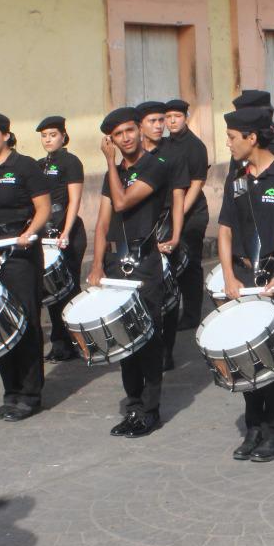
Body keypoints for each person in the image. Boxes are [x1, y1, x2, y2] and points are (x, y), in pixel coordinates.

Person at [217, 106, 274, 463]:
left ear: (251, 138)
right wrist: (228, 275)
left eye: (231, 137)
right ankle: (253, 427)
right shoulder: (236, 178)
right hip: (242, 278)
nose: (228, 143)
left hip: (273, 278)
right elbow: (225, 229)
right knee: (245, 356)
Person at [88, 107, 170, 437]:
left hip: (144, 262)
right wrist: (96, 265)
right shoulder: (114, 174)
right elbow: (103, 222)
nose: (125, 138)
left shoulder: (155, 166)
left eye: (129, 131)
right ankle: (133, 407)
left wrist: (110, 163)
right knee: (124, 338)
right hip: (115, 264)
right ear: (111, 139)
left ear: (138, 130)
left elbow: (122, 203)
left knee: (148, 338)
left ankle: (150, 410)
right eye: (118, 135)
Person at [0, 113, 50, 421]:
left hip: (19, 255)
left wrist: (30, 233)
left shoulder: (24, 166)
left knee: (25, 322)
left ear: (5, 135)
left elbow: (43, 208)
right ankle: (11, 392)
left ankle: (30, 394)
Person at [134, 101, 186, 369]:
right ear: (140, 126)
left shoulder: (173, 155)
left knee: (170, 292)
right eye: (152, 121)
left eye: (160, 120)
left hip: (165, 227)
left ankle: (167, 349)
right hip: (139, 231)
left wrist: (175, 235)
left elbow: (178, 198)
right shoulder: (134, 155)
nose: (158, 126)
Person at [36, 116, 86, 362]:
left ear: (64, 136)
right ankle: (60, 344)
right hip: (46, 235)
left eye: (53, 134)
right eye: (44, 136)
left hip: (69, 234)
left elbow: (74, 200)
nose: (48, 139)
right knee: (52, 292)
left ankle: (78, 342)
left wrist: (66, 231)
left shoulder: (71, 162)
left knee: (69, 290)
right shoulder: (39, 164)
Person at [162, 98, 211, 330]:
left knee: (190, 264)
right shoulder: (164, 144)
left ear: (186, 118)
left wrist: (178, 214)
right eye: (168, 117)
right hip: (170, 215)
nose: (172, 121)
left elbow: (196, 184)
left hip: (192, 214)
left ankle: (192, 315)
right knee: (172, 264)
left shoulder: (195, 146)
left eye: (177, 117)